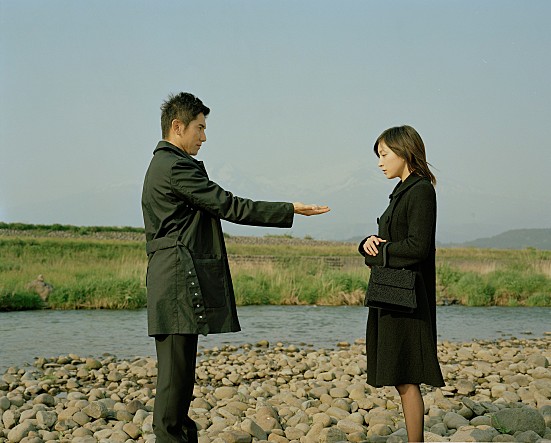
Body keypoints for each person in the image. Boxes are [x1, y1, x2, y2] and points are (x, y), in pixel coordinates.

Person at [141, 92, 329, 443]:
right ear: (177, 127)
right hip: (176, 281)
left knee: (179, 378)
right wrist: (289, 209)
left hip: (172, 278)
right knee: (174, 382)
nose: (204, 136)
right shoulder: (175, 166)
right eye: (199, 128)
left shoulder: (166, 164)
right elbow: (228, 205)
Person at [358, 125, 444, 442]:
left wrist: (380, 252)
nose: (380, 162)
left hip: (407, 296)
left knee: (407, 376)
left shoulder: (420, 190)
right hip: (392, 291)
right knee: (401, 377)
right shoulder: (402, 191)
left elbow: (418, 246)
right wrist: (367, 243)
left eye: (384, 154)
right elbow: (391, 238)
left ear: (404, 152)